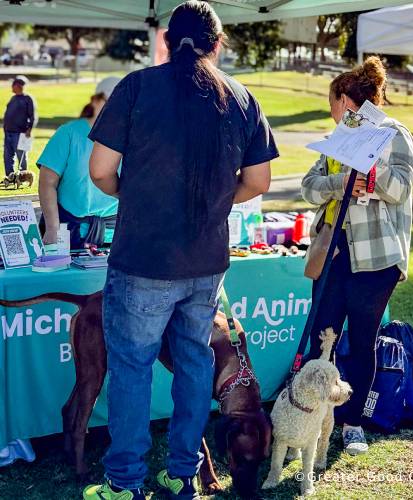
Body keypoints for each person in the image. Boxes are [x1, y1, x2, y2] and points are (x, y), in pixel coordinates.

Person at [83, 2, 278, 499]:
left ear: (167, 41)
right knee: (194, 366)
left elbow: (101, 172)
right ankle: (181, 474)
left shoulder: (136, 87)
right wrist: (215, 201)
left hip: (143, 258)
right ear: (218, 44)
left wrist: (136, 195)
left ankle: (124, 484)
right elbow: (258, 181)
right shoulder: (241, 97)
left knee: (132, 368)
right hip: (205, 263)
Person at [301, 56, 413, 456]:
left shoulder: (394, 133)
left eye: (333, 105)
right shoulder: (341, 136)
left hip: (377, 259)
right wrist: (342, 182)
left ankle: (353, 425)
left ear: (347, 101)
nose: (332, 114)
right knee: (323, 337)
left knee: (363, 342)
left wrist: (373, 175)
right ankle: (313, 419)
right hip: (334, 253)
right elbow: (309, 186)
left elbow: (401, 189)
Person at [37, 77, 121, 249]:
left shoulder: (131, 137)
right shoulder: (69, 133)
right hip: (67, 232)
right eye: (110, 102)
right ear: (95, 100)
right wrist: (52, 228)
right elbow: (47, 183)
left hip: (115, 234)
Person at [3, 75, 36, 179]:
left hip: (20, 133)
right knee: (7, 157)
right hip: (8, 132)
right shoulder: (13, 98)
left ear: (18, 86)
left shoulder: (27, 99)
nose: (12, 87)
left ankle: (22, 177)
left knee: (21, 156)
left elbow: (32, 116)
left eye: (13, 85)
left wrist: (29, 129)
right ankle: (10, 177)